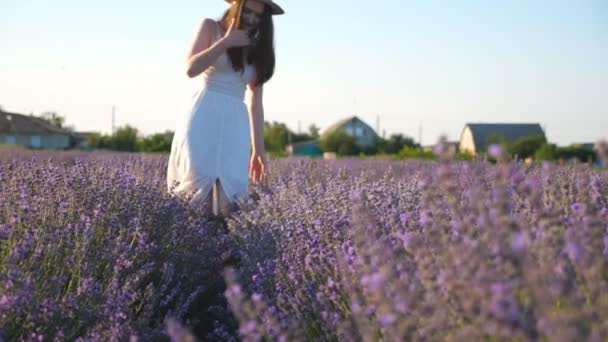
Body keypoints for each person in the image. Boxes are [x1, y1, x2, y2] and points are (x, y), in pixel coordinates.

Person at [167, 0, 284, 220]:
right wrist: (225, 43)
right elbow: (191, 69)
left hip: (235, 122)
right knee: (198, 184)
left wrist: (258, 151)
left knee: (231, 193)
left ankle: (227, 251)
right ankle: (191, 249)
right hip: (203, 114)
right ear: (236, 6)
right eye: (247, 11)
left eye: (258, 16)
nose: (252, 19)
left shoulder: (258, 47)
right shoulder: (210, 27)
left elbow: (256, 102)